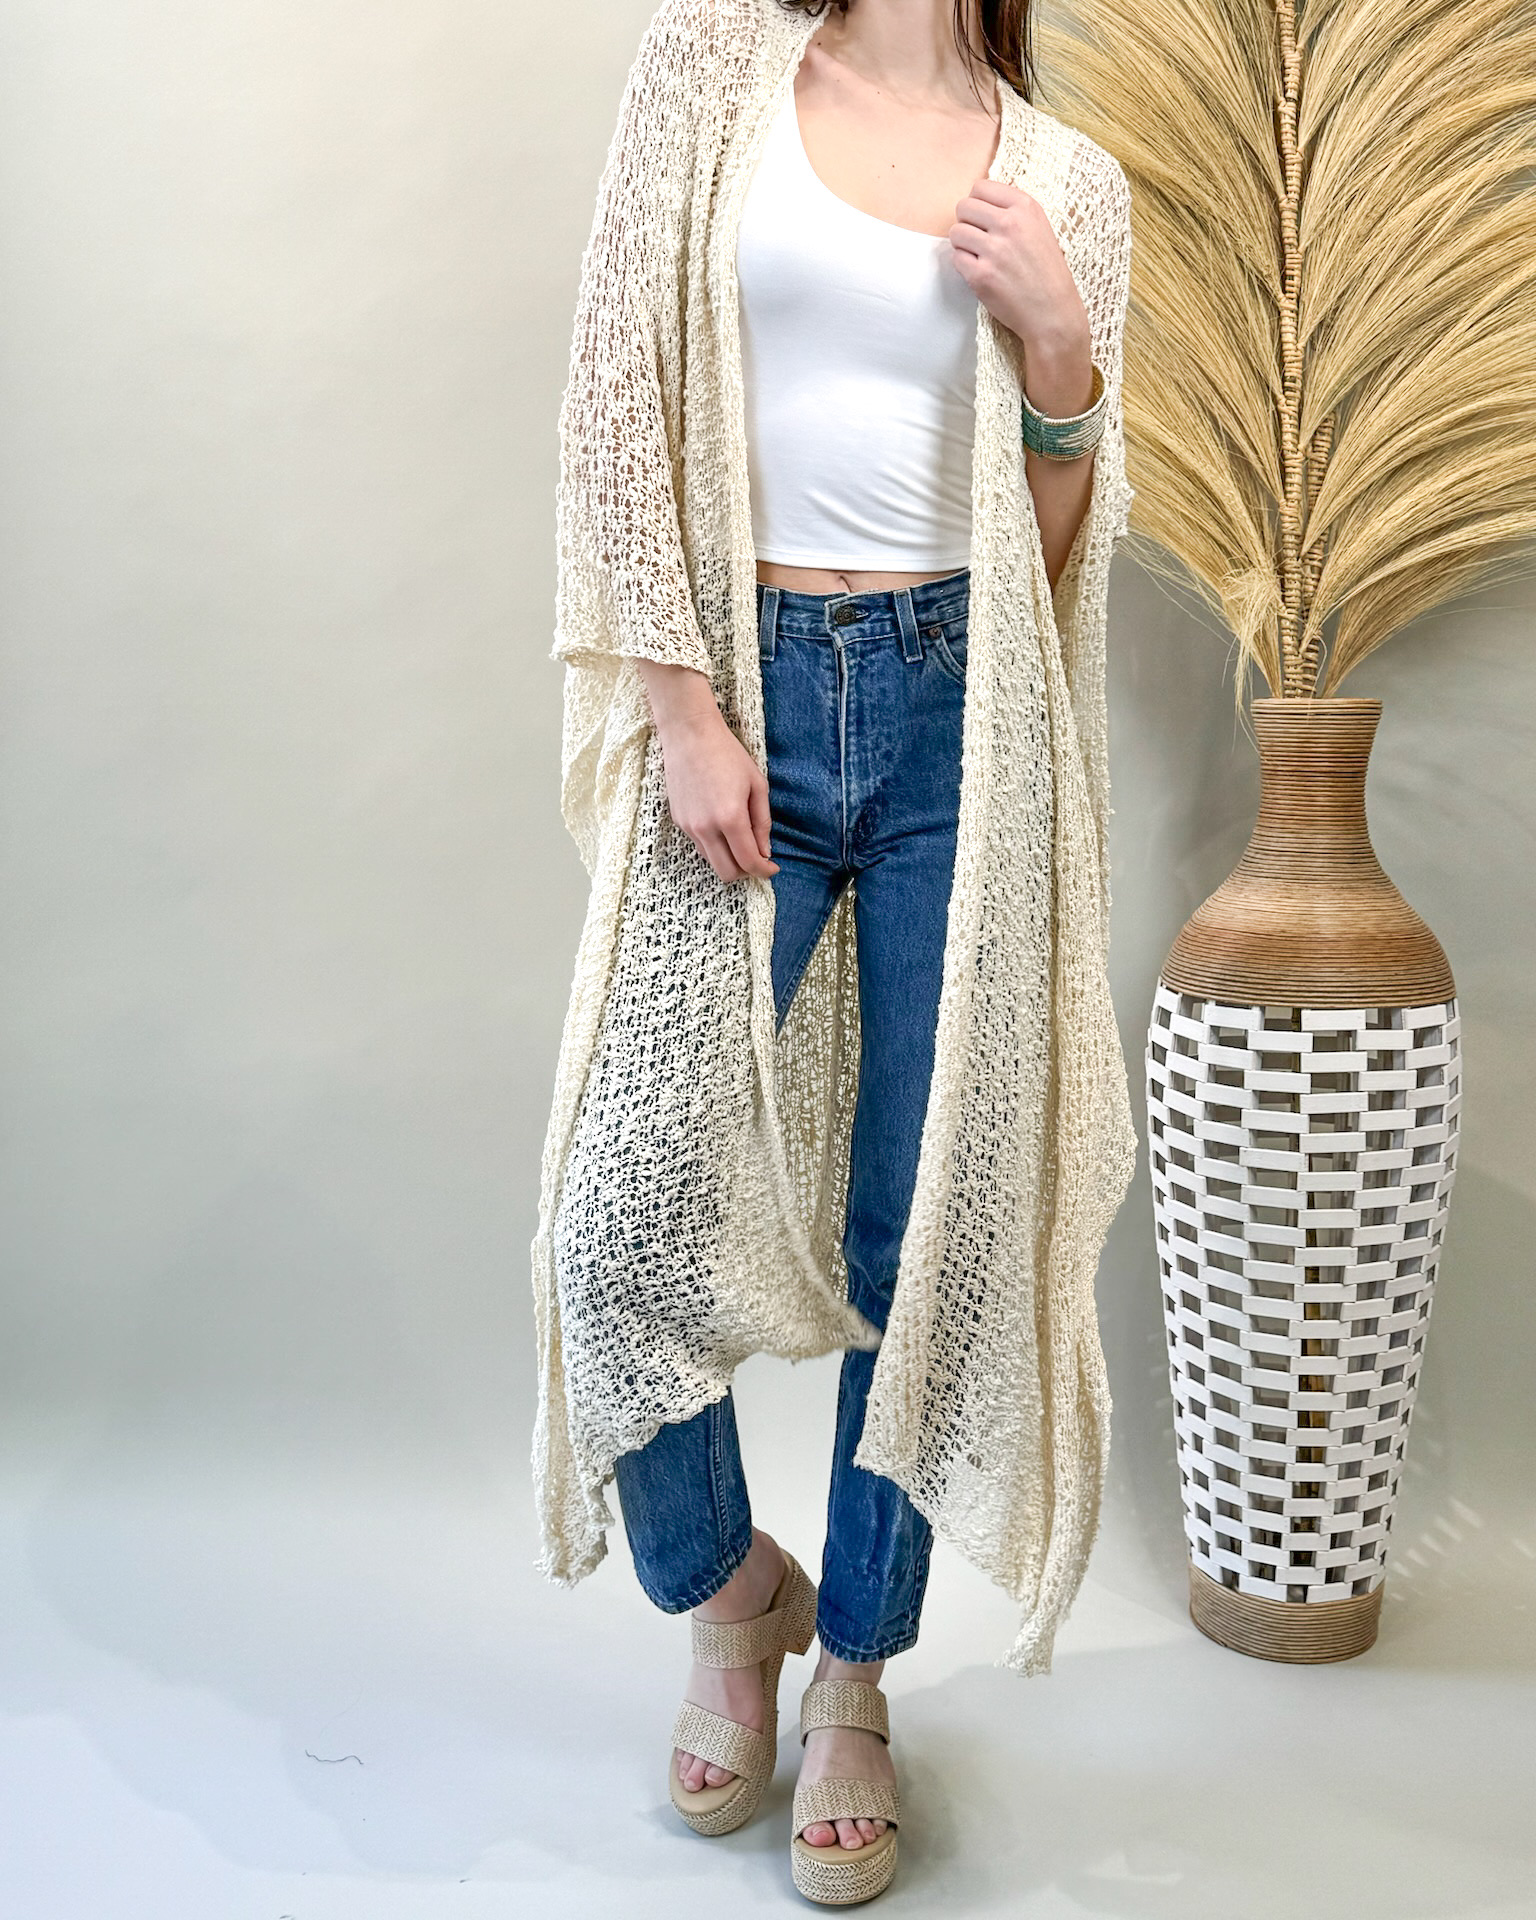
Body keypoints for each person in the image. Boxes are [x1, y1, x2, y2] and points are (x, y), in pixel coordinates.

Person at [533, 0, 1137, 1902]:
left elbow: (1052, 551)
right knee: (615, 1223)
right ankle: (736, 1602)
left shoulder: (1065, 177)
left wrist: (1063, 356)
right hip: (753, 692)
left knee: (921, 1236)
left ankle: (856, 1677)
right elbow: (615, 400)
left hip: (965, 723)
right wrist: (682, 706)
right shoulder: (710, 68)